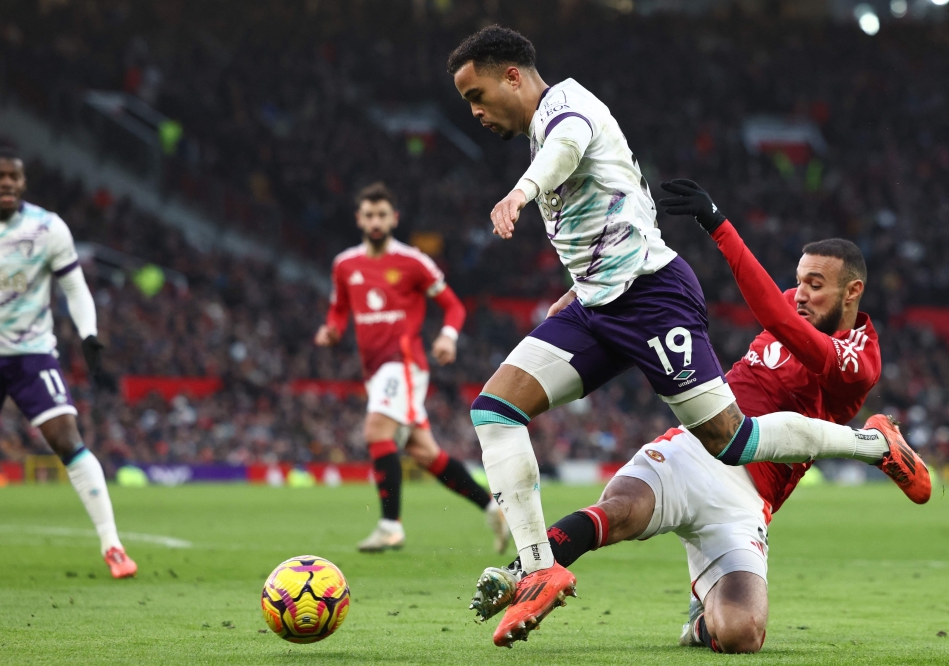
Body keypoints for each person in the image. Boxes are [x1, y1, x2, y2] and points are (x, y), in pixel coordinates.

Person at [445, 26, 930, 647]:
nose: (476, 110)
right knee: (495, 410)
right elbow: (628, 206)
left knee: (734, 443)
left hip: (651, 299)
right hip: (599, 304)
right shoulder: (547, 126)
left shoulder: (568, 109)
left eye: (475, 94)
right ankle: (537, 569)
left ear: (512, 74)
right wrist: (578, 285)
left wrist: (522, 191)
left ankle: (871, 445)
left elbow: (567, 146)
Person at [0, 148, 136, 579]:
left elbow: (75, 287)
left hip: (32, 352)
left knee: (67, 438)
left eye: (15, 176)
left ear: (23, 183)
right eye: (0, 176)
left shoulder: (47, 228)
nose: (8, 183)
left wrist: (88, 334)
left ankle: (113, 548)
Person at [315, 182, 509, 554]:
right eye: (369, 215)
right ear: (359, 218)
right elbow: (339, 309)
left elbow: (453, 306)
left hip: (403, 364)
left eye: (382, 215)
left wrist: (448, 337)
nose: (375, 221)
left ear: (394, 219)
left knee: (376, 431)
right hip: (374, 372)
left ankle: (391, 526)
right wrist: (332, 330)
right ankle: (492, 509)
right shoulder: (345, 265)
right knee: (426, 454)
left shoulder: (413, 261)